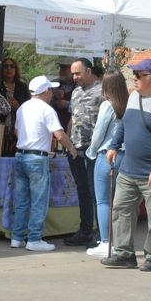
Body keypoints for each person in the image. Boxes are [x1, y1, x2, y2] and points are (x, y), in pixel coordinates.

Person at [101, 59, 151, 272]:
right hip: (128, 169)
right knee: (121, 210)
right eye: (133, 75)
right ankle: (124, 254)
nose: (134, 79)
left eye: (139, 75)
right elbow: (123, 124)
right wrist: (113, 145)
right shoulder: (134, 96)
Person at [11, 76, 77, 252]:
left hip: (21, 154)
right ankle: (34, 239)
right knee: (39, 201)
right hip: (37, 158)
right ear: (46, 91)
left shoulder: (22, 108)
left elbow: (17, 131)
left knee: (22, 200)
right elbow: (59, 134)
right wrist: (71, 148)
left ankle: (17, 237)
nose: (52, 93)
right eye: (51, 90)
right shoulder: (47, 110)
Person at [85, 70, 129, 257]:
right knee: (121, 203)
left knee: (103, 201)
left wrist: (91, 151)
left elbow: (99, 132)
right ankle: (120, 242)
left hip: (107, 154)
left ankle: (105, 242)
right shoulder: (130, 104)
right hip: (126, 156)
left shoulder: (107, 105)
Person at [64, 58, 103, 248]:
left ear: (88, 71)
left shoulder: (102, 91)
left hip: (94, 150)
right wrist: (67, 140)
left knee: (96, 192)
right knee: (82, 190)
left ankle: (102, 234)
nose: (74, 77)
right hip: (76, 149)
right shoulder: (76, 92)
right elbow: (73, 117)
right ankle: (85, 230)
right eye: (73, 74)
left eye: (77, 73)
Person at [0, 57, 31, 157]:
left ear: (15, 69)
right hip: (1, 126)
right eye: (5, 66)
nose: (9, 69)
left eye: (11, 66)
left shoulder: (23, 86)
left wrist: (19, 106)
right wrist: (4, 106)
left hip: (18, 127)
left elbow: (29, 105)